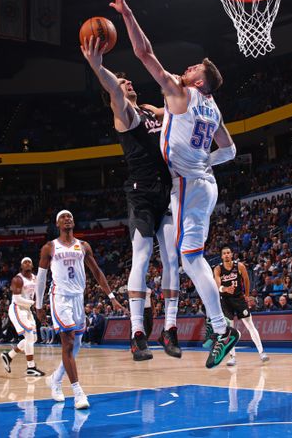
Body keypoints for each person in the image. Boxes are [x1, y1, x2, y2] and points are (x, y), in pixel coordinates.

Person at [109, 0, 240, 368]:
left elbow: (143, 51)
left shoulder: (179, 92)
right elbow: (230, 150)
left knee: (189, 259)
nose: (185, 69)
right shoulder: (212, 108)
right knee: (187, 258)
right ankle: (218, 328)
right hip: (204, 184)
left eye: (192, 68)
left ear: (197, 81)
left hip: (188, 186)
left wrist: (127, 14)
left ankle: (220, 328)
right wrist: (202, 158)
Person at [80, 36, 179, 361]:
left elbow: (181, 103)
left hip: (168, 190)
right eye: (123, 81)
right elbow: (113, 88)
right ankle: (138, 333)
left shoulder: (150, 110)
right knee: (141, 256)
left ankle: (170, 328)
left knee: (172, 260)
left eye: (129, 80)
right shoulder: (124, 114)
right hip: (141, 194)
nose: (128, 82)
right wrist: (98, 67)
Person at [37, 210, 125, 409]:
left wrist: (111, 297)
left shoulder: (83, 246)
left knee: (76, 344)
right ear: (57, 224)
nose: (67, 219)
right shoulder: (50, 247)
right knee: (67, 342)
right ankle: (78, 393)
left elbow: (96, 271)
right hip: (60, 297)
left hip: (78, 298)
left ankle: (55, 379)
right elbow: (41, 277)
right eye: (63, 217)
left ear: (73, 222)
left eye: (70, 217)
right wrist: (39, 304)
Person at [213, 246, 269, 366]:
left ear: (231, 254)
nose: (227, 255)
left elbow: (246, 280)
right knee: (229, 330)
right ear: (222, 256)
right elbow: (218, 285)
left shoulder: (239, 266)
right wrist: (225, 289)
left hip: (239, 299)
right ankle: (232, 356)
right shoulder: (218, 269)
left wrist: (247, 295)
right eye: (224, 253)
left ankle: (262, 352)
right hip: (226, 301)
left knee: (250, 325)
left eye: (228, 252)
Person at [1, 257, 45, 376]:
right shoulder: (17, 279)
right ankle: (31, 367)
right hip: (17, 308)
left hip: (27, 309)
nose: (27, 263)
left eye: (29, 262)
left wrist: (38, 304)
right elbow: (17, 299)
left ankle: (9, 356)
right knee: (29, 335)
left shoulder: (35, 279)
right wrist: (33, 303)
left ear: (32, 266)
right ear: (21, 266)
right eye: (24, 262)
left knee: (33, 339)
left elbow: (36, 294)